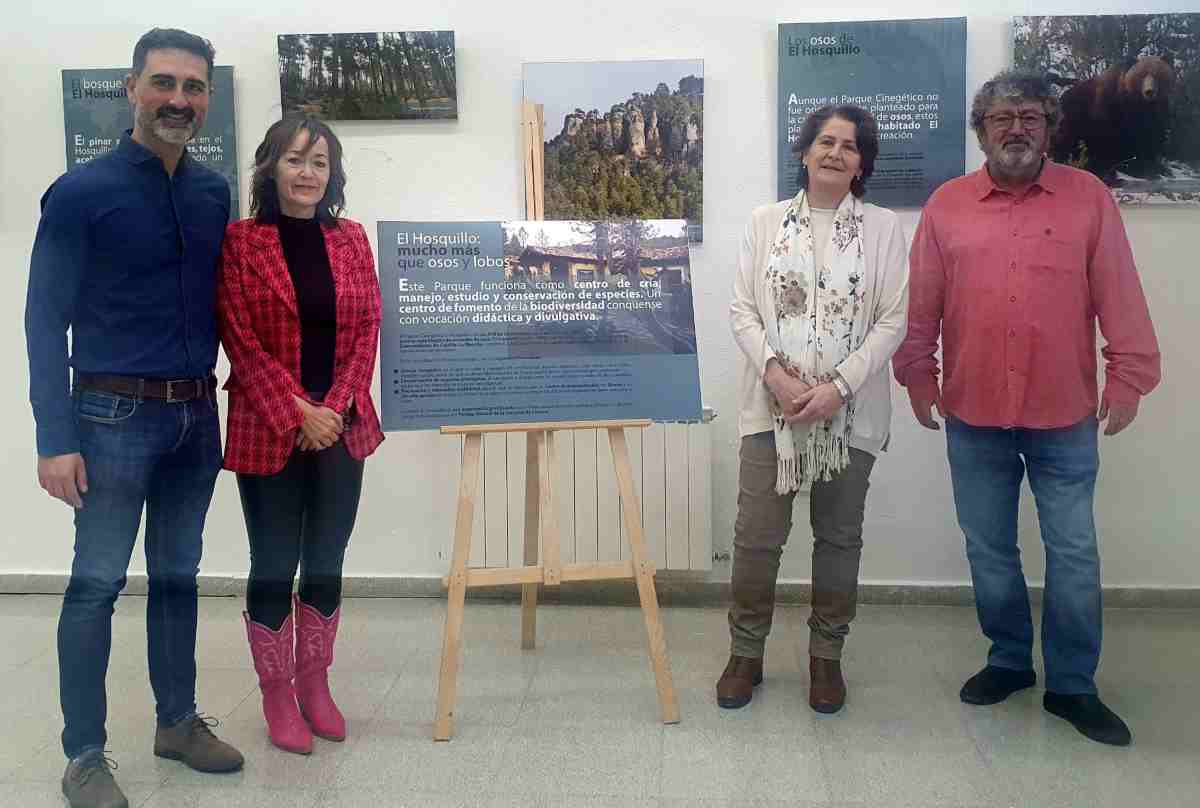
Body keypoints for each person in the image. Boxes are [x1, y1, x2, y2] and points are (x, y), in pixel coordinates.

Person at [893, 71, 1161, 746]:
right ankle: (1009, 659)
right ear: (981, 129)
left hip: (1064, 411)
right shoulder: (948, 206)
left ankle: (1073, 684)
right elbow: (921, 305)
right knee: (988, 548)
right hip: (973, 411)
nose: (1017, 128)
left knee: (1073, 551)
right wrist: (918, 377)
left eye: (1031, 117)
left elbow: (1120, 295)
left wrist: (1128, 377)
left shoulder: (1089, 199)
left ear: (1051, 126)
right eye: (1002, 117)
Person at [25, 27, 245, 808]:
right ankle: (84, 755)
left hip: (194, 417)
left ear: (207, 98)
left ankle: (177, 723)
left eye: (192, 87)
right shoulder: (80, 194)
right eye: (163, 84)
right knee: (96, 584)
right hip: (111, 416)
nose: (178, 100)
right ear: (132, 89)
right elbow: (43, 321)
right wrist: (55, 440)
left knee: (179, 578)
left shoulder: (213, 191)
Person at [721, 105, 909, 714]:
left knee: (838, 540)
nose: (836, 152)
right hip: (771, 410)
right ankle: (745, 653)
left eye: (850, 146)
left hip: (849, 416)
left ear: (863, 163)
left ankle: (826, 659)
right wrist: (775, 374)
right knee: (756, 539)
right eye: (825, 141)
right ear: (804, 152)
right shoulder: (764, 221)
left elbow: (893, 320)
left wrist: (839, 387)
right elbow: (742, 309)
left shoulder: (883, 229)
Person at [218, 114, 383, 755]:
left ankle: (316, 684)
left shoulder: (350, 238)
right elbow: (241, 339)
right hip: (268, 429)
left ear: (331, 174)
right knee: (272, 563)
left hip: (342, 429)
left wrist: (334, 409)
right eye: (294, 160)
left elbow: (366, 328)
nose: (307, 173)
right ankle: (276, 694)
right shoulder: (241, 241)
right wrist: (297, 411)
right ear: (270, 168)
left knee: (327, 561)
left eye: (319, 162)